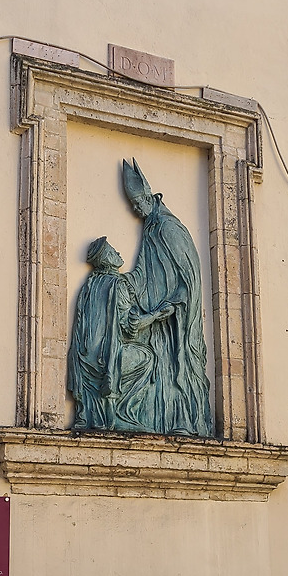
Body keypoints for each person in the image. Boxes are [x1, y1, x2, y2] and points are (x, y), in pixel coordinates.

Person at [121, 158, 213, 436]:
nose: (135, 210)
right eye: (133, 205)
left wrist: (152, 316)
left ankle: (184, 422)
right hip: (157, 323)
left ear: (150, 197)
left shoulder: (168, 229)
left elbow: (187, 286)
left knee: (177, 369)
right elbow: (145, 272)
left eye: (138, 203)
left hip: (176, 325)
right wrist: (120, 283)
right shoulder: (151, 229)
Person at [68, 237, 172, 432]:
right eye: (113, 251)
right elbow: (129, 326)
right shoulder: (118, 285)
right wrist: (156, 314)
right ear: (107, 259)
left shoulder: (89, 286)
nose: (118, 253)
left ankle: (107, 414)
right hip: (104, 359)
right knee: (148, 358)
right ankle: (123, 414)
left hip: (84, 359)